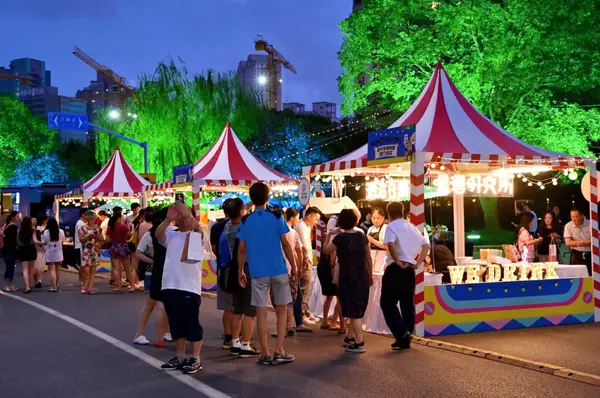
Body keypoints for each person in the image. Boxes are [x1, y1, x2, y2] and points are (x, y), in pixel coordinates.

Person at [237, 182, 298, 365]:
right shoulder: (277, 217)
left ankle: (265, 353)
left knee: (261, 312)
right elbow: (286, 244)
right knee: (281, 310)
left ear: (251, 198)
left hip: (257, 272)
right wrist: (294, 266)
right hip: (278, 269)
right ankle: (279, 350)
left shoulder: (246, 220)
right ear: (267, 196)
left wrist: (240, 270)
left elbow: (241, 249)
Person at [157, 201, 205, 374]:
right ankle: (180, 356)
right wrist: (167, 219)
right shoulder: (171, 234)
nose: (181, 218)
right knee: (176, 324)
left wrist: (187, 214)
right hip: (170, 284)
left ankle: (195, 358)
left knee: (191, 323)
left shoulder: (198, 233)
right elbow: (158, 235)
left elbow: (197, 228)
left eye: (183, 215)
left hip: (189, 287)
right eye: (179, 214)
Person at [381, 202, 429, 350]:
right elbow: (426, 245)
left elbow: (390, 244)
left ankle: (401, 333)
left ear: (388, 214)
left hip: (396, 268)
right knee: (407, 303)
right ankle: (406, 335)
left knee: (387, 303)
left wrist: (396, 260)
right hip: (409, 269)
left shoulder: (391, 226)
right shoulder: (412, 227)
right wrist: (418, 262)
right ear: (402, 212)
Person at [323, 209, 373, 353]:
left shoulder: (340, 238)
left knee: (353, 309)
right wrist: (369, 274)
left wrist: (329, 234)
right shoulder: (362, 236)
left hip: (348, 277)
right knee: (357, 307)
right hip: (362, 275)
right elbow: (368, 257)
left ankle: (359, 342)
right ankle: (350, 337)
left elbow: (326, 250)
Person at [219, 198, 259, 357]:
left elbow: (240, 213)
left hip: (233, 270)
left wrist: (245, 206)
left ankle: (235, 342)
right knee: (249, 310)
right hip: (247, 268)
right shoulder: (245, 228)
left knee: (237, 309)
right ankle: (245, 345)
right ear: (241, 212)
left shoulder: (228, 227)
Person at [134, 211, 170, 347]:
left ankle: (165, 333)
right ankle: (139, 334)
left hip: (162, 272)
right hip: (152, 273)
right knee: (151, 305)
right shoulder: (150, 235)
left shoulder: (169, 233)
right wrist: (153, 261)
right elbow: (138, 253)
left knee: (163, 305)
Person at [282, 208, 311, 334]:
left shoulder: (276, 233)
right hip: (291, 269)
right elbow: (299, 251)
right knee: (295, 296)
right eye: (297, 217)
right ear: (292, 218)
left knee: (283, 299)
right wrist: (298, 267)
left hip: (279, 270)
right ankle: (294, 323)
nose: (298, 219)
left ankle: (288, 325)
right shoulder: (293, 232)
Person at [211, 198, 233, 349]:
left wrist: (220, 257)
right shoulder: (240, 226)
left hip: (222, 268)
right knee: (240, 306)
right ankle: (241, 338)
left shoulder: (216, 227)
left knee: (227, 306)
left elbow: (213, 248)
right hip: (238, 270)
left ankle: (228, 337)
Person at [294, 206, 321, 325]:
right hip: (305, 261)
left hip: (307, 260)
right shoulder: (301, 227)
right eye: (316, 219)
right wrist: (306, 258)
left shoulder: (305, 227)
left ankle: (305, 311)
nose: (316, 222)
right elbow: (303, 246)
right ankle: (302, 313)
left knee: (306, 288)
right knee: (305, 288)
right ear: (310, 216)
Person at [107, 212, 135, 292]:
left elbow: (107, 240)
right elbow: (129, 236)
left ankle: (118, 286)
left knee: (116, 268)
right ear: (119, 218)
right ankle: (132, 286)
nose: (123, 217)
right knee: (127, 268)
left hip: (113, 247)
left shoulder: (110, 227)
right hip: (123, 247)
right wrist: (132, 229)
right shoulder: (124, 227)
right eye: (122, 216)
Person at [79, 210, 102, 294]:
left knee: (93, 271)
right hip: (86, 251)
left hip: (95, 251)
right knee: (86, 270)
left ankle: (90, 287)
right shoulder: (83, 228)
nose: (92, 221)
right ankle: (84, 285)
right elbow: (80, 239)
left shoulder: (97, 228)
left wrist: (97, 236)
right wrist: (88, 236)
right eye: (90, 219)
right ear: (87, 219)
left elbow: (102, 239)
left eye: (93, 219)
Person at [564, 208, 592, 276]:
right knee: (575, 276)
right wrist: (581, 243)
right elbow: (568, 242)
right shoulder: (568, 226)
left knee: (592, 275)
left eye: (576, 217)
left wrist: (580, 243)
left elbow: (597, 238)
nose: (573, 219)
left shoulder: (591, 224)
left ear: (582, 216)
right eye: (572, 217)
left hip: (591, 254)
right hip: (576, 254)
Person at [42, 217, 65, 292]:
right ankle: (56, 284)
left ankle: (53, 286)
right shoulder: (61, 231)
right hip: (58, 252)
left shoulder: (46, 232)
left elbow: (44, 242)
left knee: (52, 270)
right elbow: (63, 240)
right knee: (57, 270)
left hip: (50, 252)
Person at [17, 217, 38, 293]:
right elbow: (35, 241)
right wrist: (42, 243)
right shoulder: (32, 230)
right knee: (31, 269)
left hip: (23, 249)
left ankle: (27, 286)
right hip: (31, 249)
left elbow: (18, 242)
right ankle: (30, 284)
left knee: (25, 269)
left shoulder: (19, 231)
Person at [2, 211, 20, 292]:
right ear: (13, 217)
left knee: (9, 266)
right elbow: (14, 240)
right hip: (10, 249)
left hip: (5, 249)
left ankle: (9, 284)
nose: (19, 218)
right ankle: (7, 285)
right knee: (10, 267)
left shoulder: (7, 225)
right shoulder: (13, 227)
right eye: (17, 216)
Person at [366, 208, 387, 273]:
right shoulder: (370, 229)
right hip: (371, 256)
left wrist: (372, 240)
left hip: (382, 257)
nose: (376, 220)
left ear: (383, 218)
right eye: (374, 218)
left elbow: (386, 246)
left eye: (378, 218)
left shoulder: (386, 228)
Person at [73, 208, 87, 287]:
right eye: (87, 214)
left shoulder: (82, 223)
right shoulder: (80, 223)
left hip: (81, 246)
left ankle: (82, 281)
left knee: (82, 265)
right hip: (80, 246)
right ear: (82, 214)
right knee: (82, 265)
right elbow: (82, 235)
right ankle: (81, 281)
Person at [31, 217, 47, 288]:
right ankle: (36, 281)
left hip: (40, 249)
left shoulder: (38, 228)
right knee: (35, 268)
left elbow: (40, 238)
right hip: (34, 249)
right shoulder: (30, 230)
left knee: (40, 267)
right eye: (33, 220)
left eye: (35, 220)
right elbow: (35, 240)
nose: (34, 221)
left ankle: (39, 280)